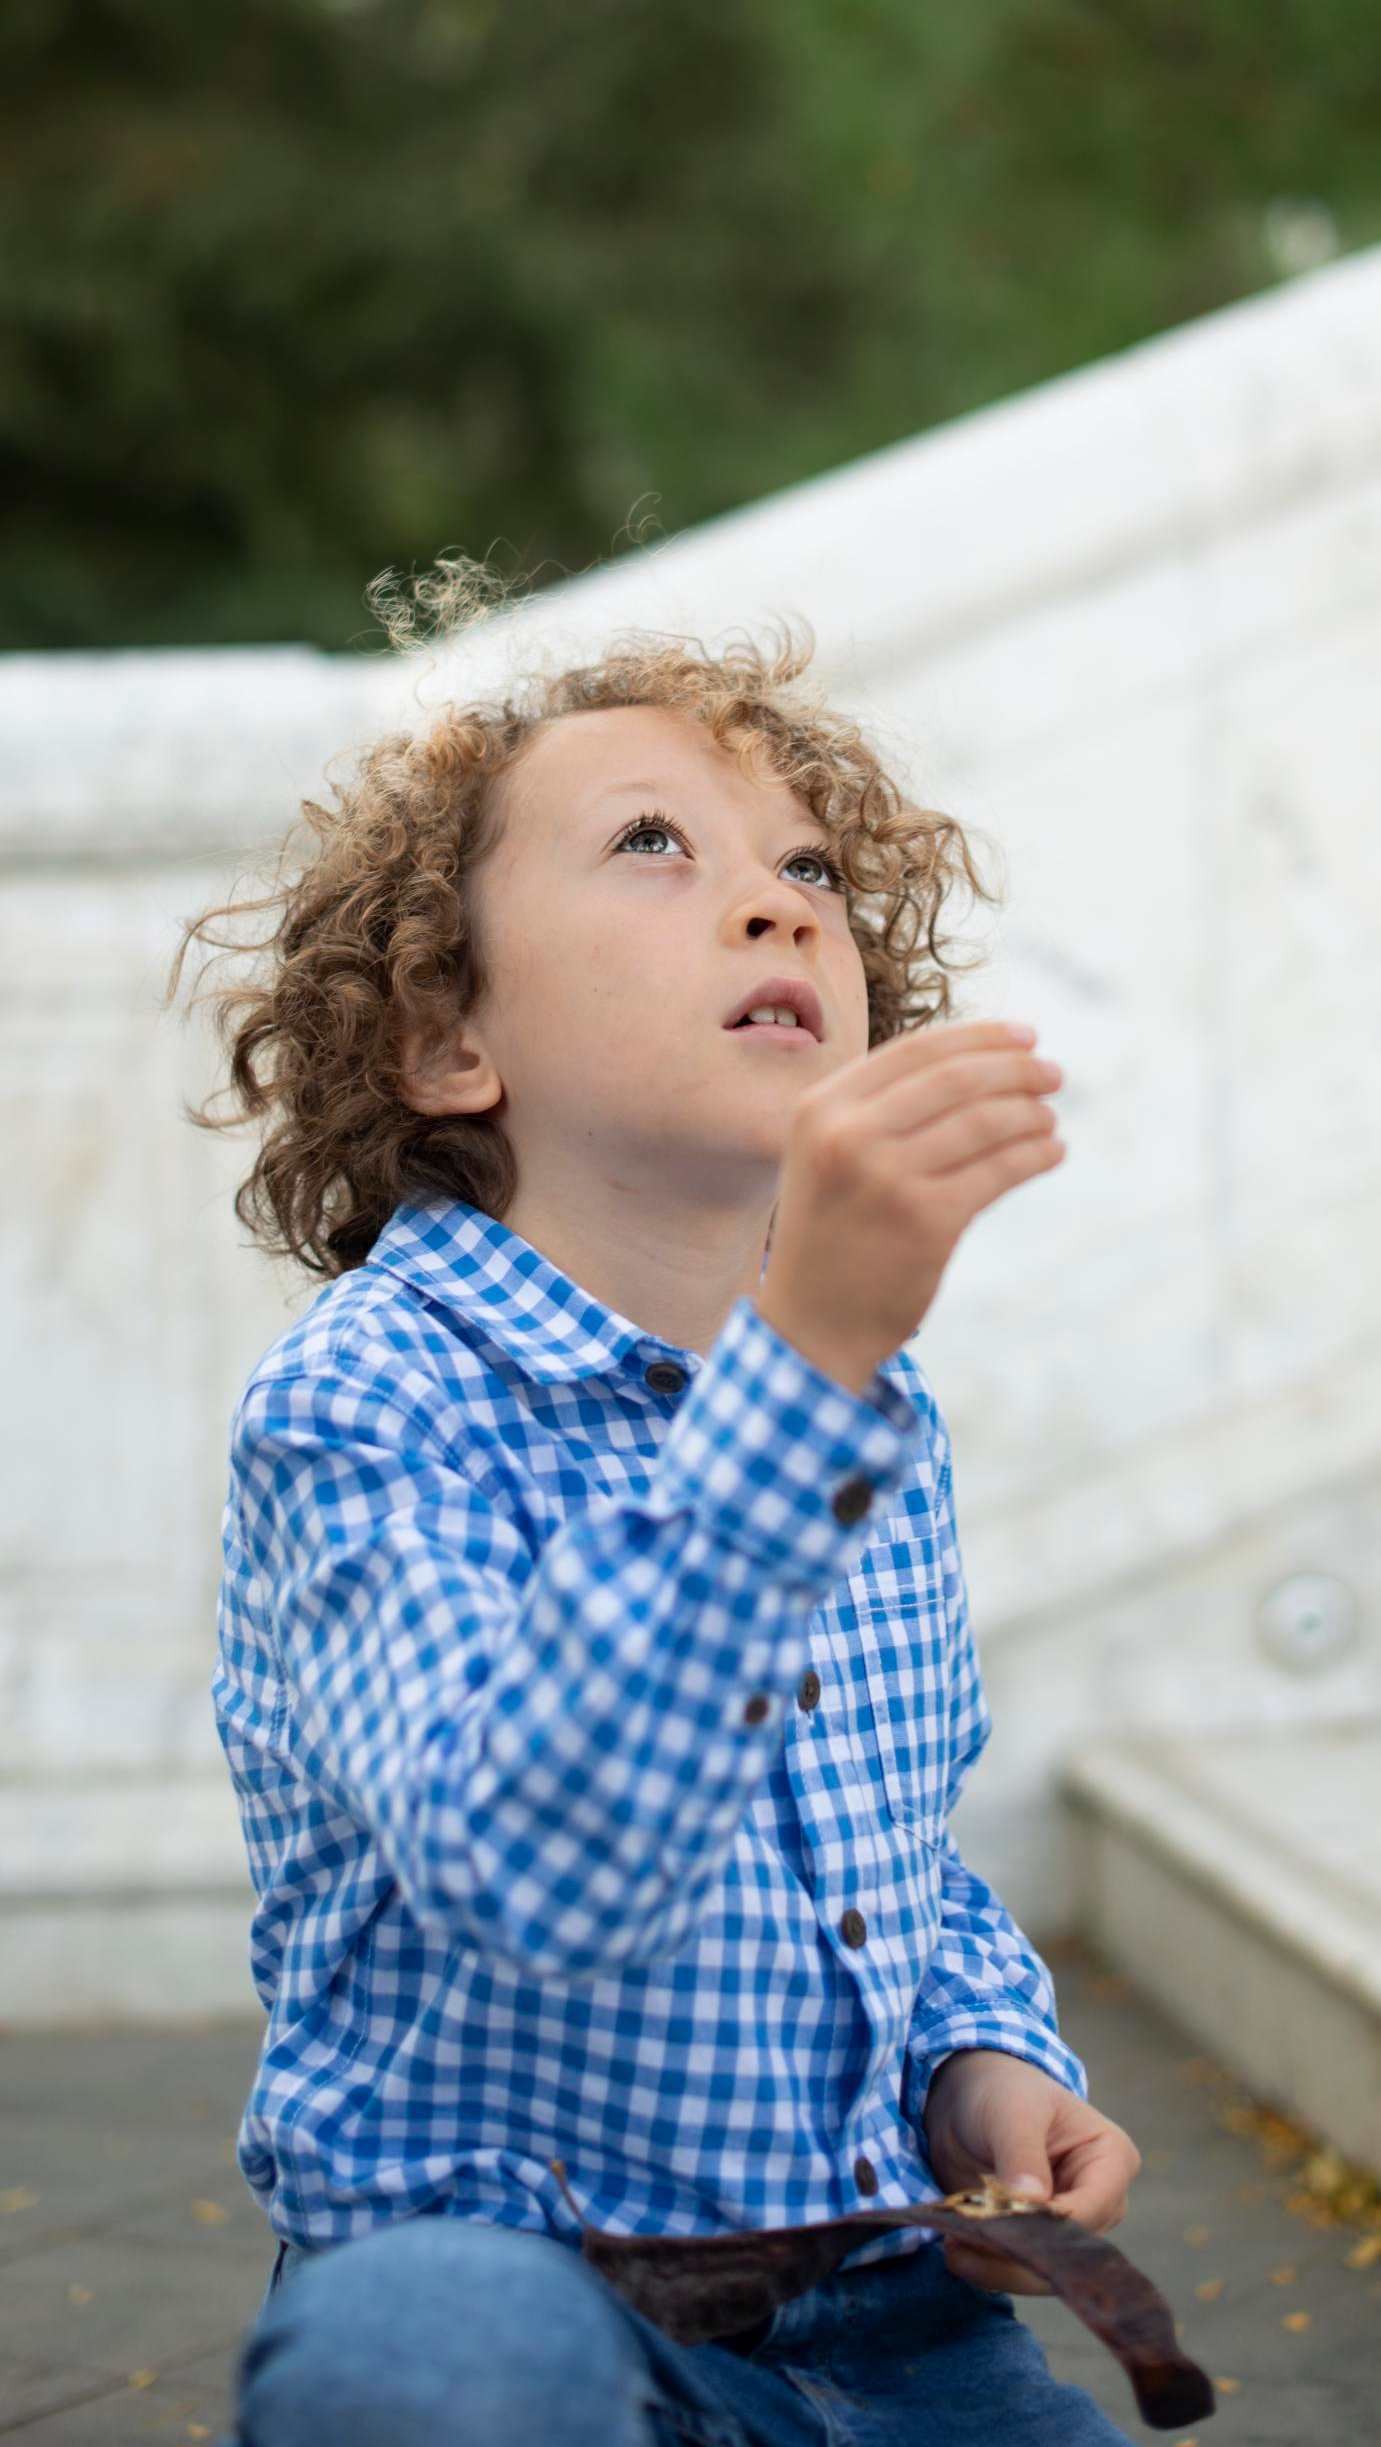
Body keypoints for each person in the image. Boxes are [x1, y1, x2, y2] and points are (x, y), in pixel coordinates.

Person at [166, 579, 1142, 2447]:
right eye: (651, 846)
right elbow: (535, 1879)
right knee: (415, 2363)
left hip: (893, 2320)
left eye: (809, 869)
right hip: (524, 2295)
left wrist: (982, 2064)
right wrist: (810, 1368)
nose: (779, 902)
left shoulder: (871, 1412)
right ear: (447, 1038)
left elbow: (894, 1859)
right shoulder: (368, 1404)